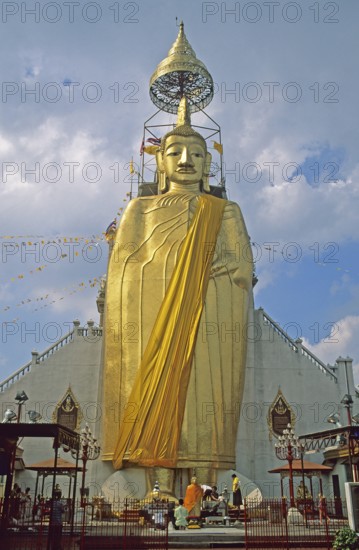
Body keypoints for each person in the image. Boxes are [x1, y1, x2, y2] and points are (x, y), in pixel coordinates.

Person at [102, 95, 253, 494]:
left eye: (198, 154)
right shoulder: (140, 209)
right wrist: (170, 274)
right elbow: (123, 272)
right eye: (175, 151)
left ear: (208, 164)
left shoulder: (226, 211)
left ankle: (208, 488)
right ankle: (159, 485)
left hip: (210, 316)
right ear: (160, 162)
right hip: (157, 320)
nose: (186, 159)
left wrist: (213, 274)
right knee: (158, 393)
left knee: (209, 395)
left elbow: (243, 271)